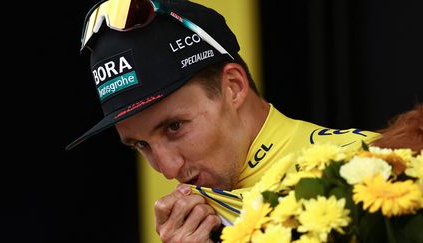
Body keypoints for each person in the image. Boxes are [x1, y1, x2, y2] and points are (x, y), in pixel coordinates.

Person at [66, 0, 380, 241]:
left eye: (174, 127)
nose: (167, 169)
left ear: (233, 87)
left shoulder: (373, 167)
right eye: (141, 145)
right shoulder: (191, 225)